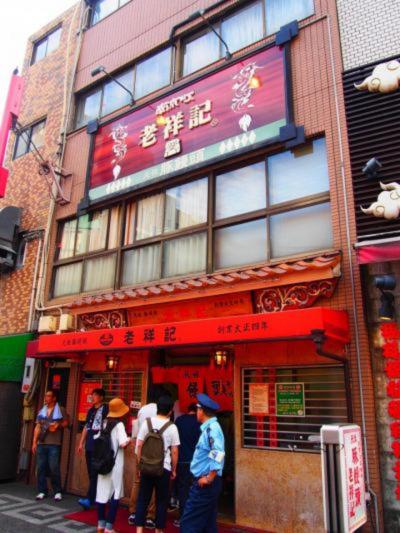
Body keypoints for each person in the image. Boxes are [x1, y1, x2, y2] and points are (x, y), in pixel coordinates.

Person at [180, 394, 225, 533]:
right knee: (208, 525)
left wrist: (209, 478)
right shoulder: (210, 428)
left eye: (198, 409)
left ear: (202, 411)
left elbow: (217, 453)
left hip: (205, 484)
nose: (196, 413)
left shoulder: (212, 429)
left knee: (188, 524)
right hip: (206, 483)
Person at [135, 395, 180, 533]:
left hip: (146, 467)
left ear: (157, 408)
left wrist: (139, 465)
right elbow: (174, 451)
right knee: (161, 501)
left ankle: (139, 530)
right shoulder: (172, 427)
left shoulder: (147, 423)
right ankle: (158, 530)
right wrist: (174, 469)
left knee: (143, 499)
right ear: (170, 411)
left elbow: (139, 446)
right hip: (163, 468)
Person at [95, 397, 131, 533]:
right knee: (115, 494)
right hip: (115, 464)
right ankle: (109, 528)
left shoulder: (104, 423)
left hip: (102, 463)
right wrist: (129, 439)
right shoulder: (119, 425)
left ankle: (100, 525)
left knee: (101, 493)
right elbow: (122, 443)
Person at [32, 389, 70, 501]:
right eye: (45, 396)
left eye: (48, 396)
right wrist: (34, 442)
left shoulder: (60, 409)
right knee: (40, 467)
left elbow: (66, 423)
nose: (46, 398)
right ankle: (42, 490)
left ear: (54, 398)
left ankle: (57, 491)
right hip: (41, 442)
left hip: (54, 443)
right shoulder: (42, 410)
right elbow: (37, 427)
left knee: (54, 467)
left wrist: (58, 425)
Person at [128, 400, 158, 528]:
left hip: (140, 451)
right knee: (155, 484)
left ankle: (133, 512)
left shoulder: (143, 410)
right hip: (156, 453)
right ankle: (150, 516)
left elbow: (135, 431)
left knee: (137, 481)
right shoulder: (161, 411)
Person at [77, 388, 109, 510]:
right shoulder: (90, 410)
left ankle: (89, 499)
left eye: (95, 395)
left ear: (101, 397)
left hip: (99, 444)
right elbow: (86, 426)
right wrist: (81, 443)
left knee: (95, 472)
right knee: (91, 472)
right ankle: (95, 497)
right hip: (89, 444)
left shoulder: (105, 409)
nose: (93, 397)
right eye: (92, 395)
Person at [173, 403, 201, 527]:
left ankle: (182, 518)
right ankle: (195, 518)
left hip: (182, 460)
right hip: (196, 462)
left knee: (183, 491)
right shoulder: (200, 422)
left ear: (188, 410)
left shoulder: (179, 420)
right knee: (196, 490)